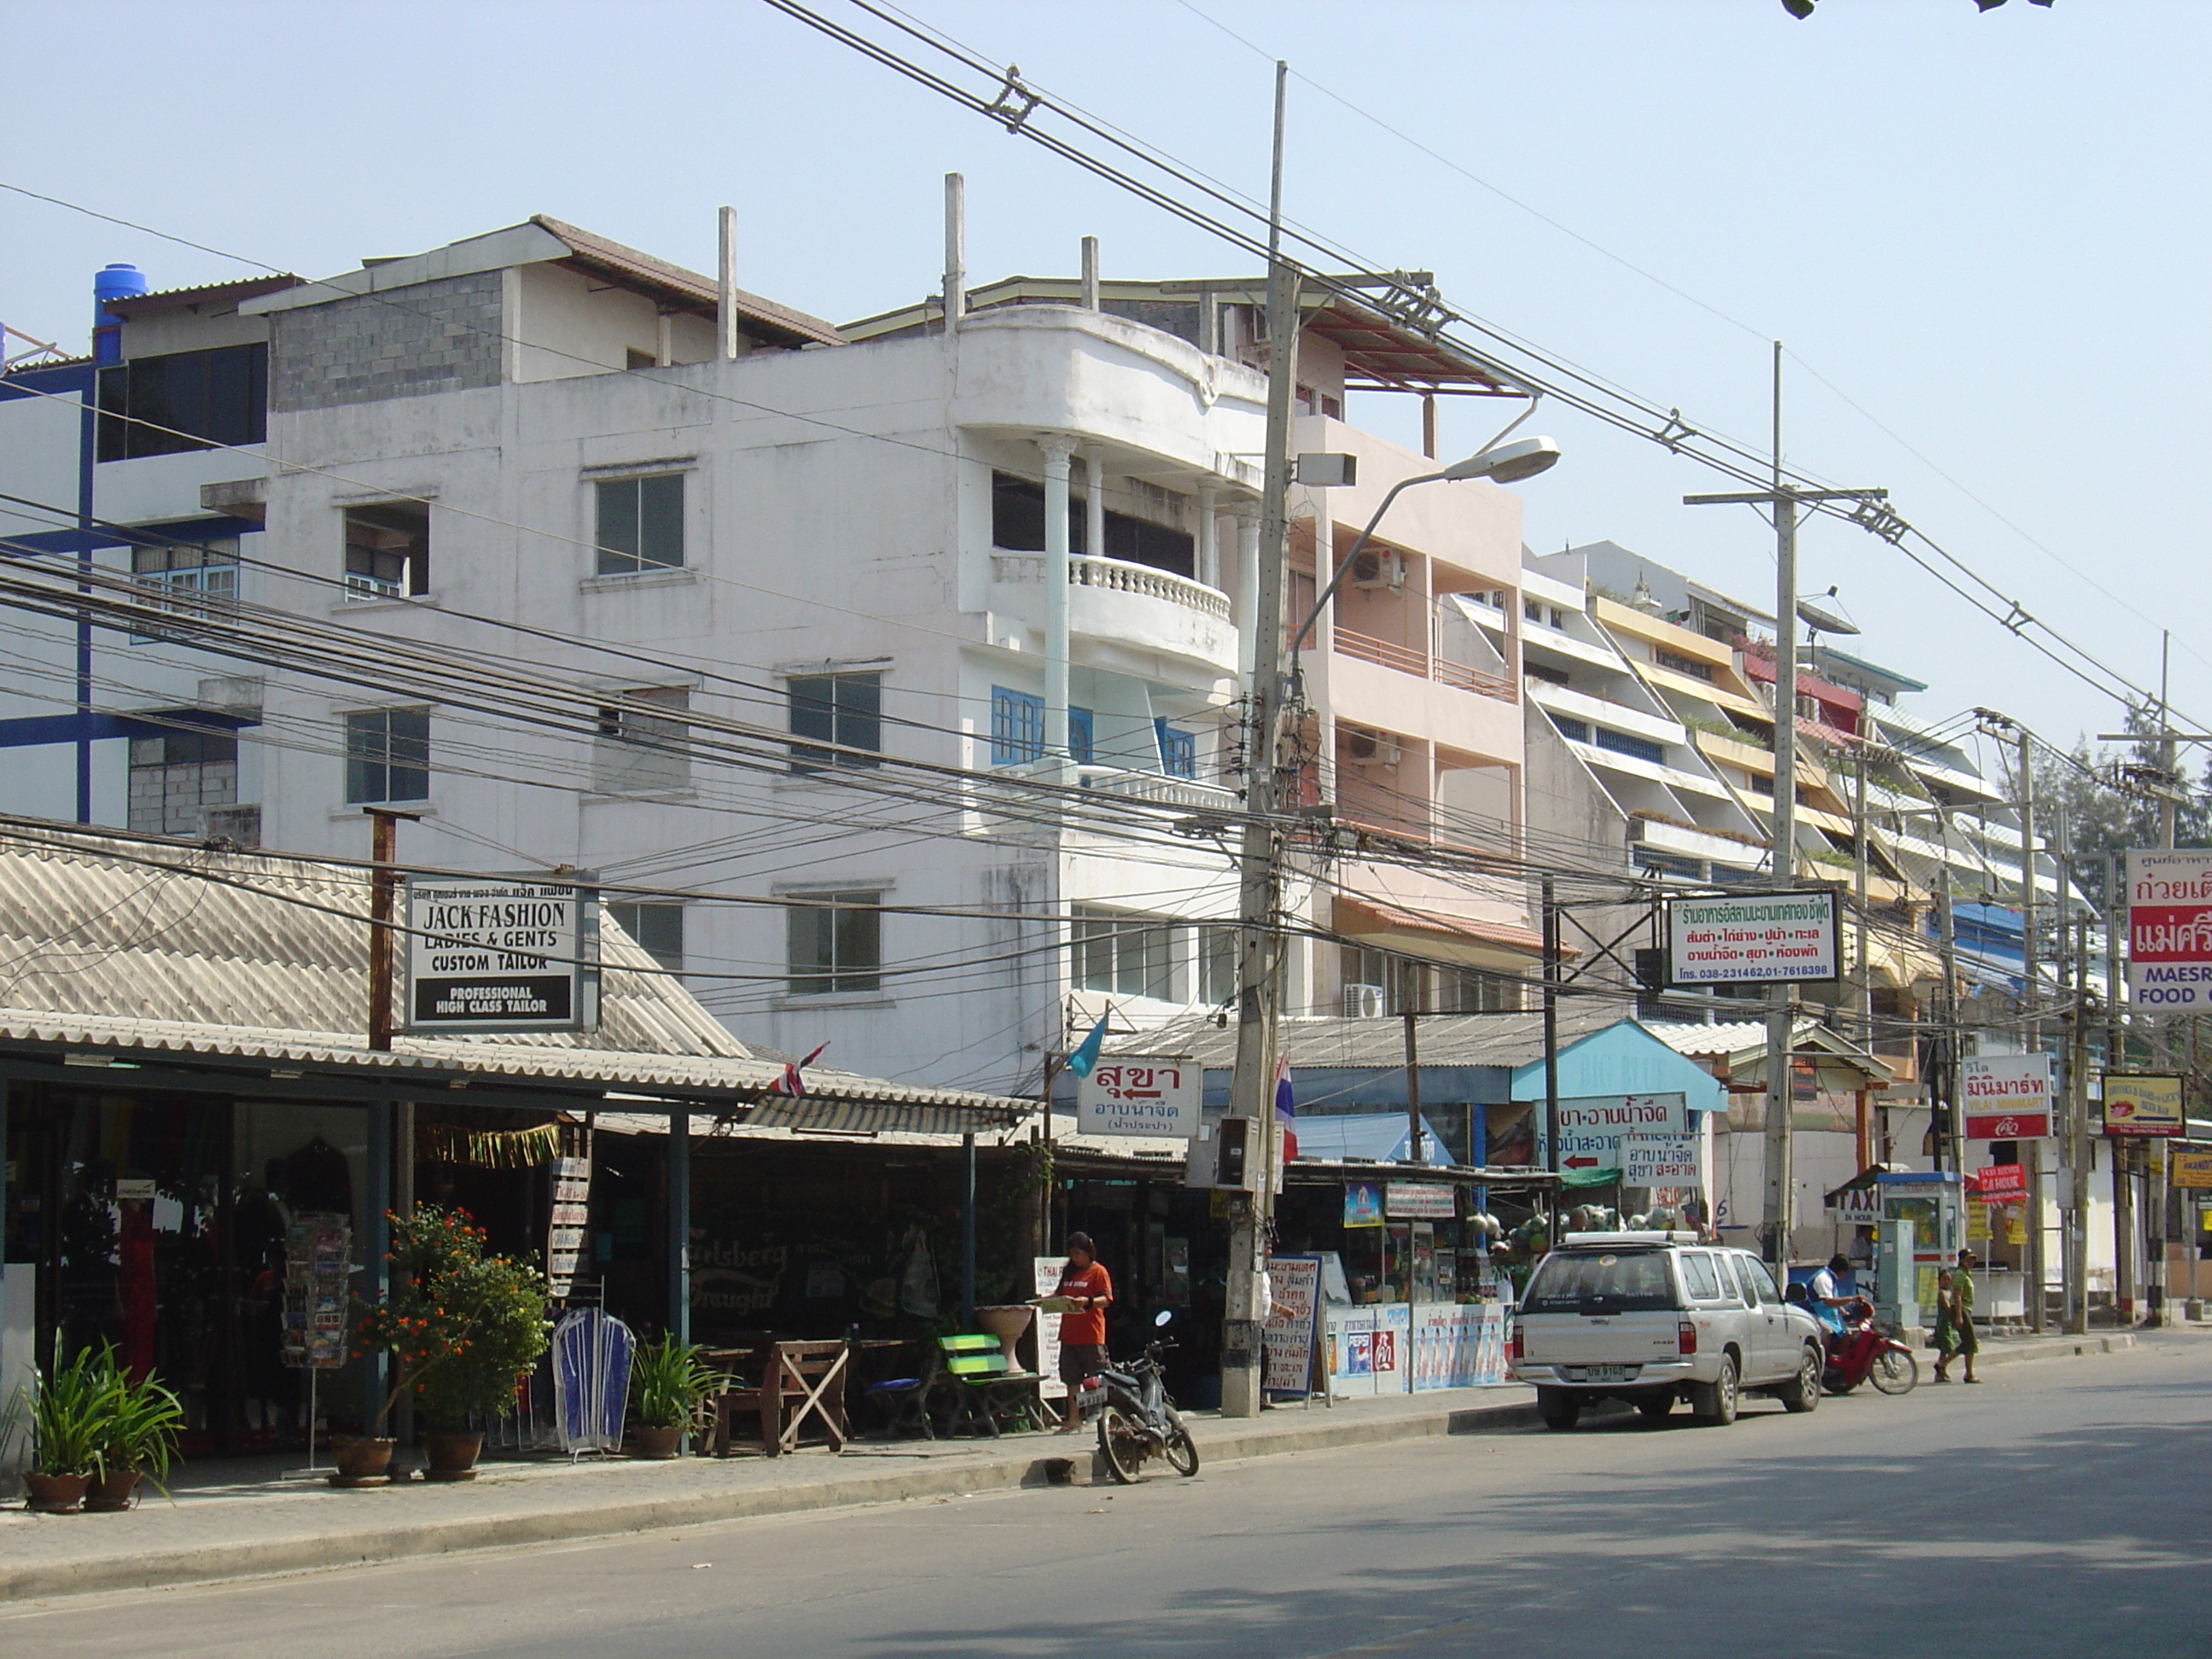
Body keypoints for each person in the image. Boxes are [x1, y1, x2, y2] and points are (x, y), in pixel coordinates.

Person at [1054, 1232, 1113, 1434]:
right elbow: (1059, 1295)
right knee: (1071, 1379)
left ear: (1088, 1253)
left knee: (1097, 1378)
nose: (1075, 1258)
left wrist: (1087, 1302)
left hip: (1091, 1334)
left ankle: (1100, 1416)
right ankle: (1073, 1418)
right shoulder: (1069, 1273)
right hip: (1069, 1334)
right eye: (1071, 1254)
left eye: (1078, 1253)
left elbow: (1105, 1300)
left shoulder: (1098, 1272)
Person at [1950, 1249, 1982, 1384]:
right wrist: (1959, 1316)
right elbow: (1957, 1296)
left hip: (1965, 1310)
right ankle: (1969, 1374)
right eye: (1968, 1260)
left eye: (1972, 1260)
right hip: (1961, 1310)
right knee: (1971, 1343)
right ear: (1962, 1261)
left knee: (1967, 1344)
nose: (1971, 1262)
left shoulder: (1966, 1274)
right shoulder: (1960, 1275)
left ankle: (1941, 1364)